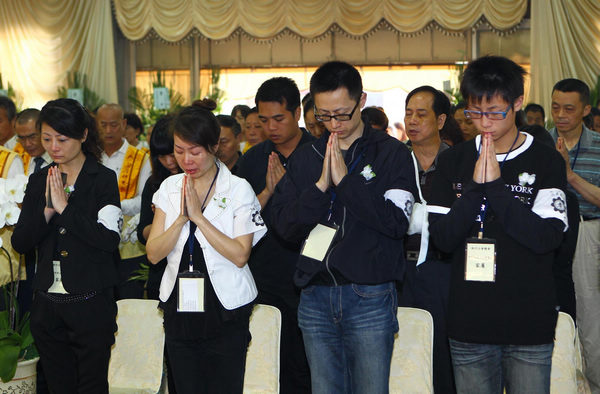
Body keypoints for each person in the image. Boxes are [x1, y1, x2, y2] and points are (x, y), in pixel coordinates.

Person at [270, 61, 416, 394]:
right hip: (314, 295)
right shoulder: (308, 157)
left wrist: (347, 184)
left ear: (361, 101)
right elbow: (283, 226)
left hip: (369, 295)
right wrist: (321, 187)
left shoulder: (391, 153)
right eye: (323, 116)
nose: (333, 124)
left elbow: (396, 222)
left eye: (341, 114)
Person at [428, 56, 568, 393]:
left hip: (528, 321)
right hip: (469, 322)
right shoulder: (452, 161)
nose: (484, 123)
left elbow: (545, 238)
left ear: (517, 103)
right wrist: (475, 189)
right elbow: (443, 239)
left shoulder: (545, 160)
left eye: (495, 112)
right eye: (475, 113)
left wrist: (495, 188)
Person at [146, 100, 266, 393]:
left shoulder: (239, 189)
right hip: (179, 304)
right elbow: (153, 253)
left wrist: (199, 218)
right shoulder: (169, 188)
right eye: (179, 150)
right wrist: (179, 221)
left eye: (195, 151)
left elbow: (240, 255)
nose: (187, 159)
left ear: (214, 146)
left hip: (225, 307)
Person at [12, 98, 122, 393]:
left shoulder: (103, 179)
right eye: (46, 139)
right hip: (48, 303)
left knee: (91, 384)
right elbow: (20, 242)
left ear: (83, 135)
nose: (53, 147)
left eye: (62, 139)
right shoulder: (39, 180)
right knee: (58, 385)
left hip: (90, 300)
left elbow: (108, 240)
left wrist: (65, 208)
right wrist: (47, 209)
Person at [236, 77, 314, 393]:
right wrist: (268, 192)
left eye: (279, 119)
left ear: (296, 112)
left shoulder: (319, 154)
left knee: (303, 365)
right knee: (266, 363)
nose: (271, 128)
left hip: (308, 275)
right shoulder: (253, 159)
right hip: (263, 275)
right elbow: (238, 219)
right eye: (264, 120)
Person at [401, 85, 455, 393]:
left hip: (443, 269)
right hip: (400, 269)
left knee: (441, 351)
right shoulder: (395, 162)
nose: (413, 120)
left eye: (422, 114)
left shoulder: (458, 163)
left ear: (441, 120)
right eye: (408, 113)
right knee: (406, 350)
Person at [548, 78, 600, 392]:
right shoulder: (538, 143)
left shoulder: (598, 145)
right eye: (555, 107)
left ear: (586, 109)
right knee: (556, 309)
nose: (561, 115)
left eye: (569, 109)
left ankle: (593, 383)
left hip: (588, 233)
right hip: (548, 234)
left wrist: (568, 175)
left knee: (589, 309)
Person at [97, 103, 151, 299]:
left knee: (130, 300)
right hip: (97, 245)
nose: (109, 130)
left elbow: (144, 201)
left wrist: (112, 206)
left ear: (124, 123)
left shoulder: (140, 157)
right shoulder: (90, 157)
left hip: (129, 246)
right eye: (103, 125)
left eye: (114, 125)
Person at [137, 114, 179, 301]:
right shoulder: (154, 184)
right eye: (162, 157)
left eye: (172, 154)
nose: (169, 162)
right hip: (162, 273)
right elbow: (143, 231)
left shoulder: (201, 181)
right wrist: (159, 221)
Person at [14, 109, 51, 176]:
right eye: (22, 138)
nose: (27, 144)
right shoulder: (19, 160)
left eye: (32, 137)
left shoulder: (60, 160)